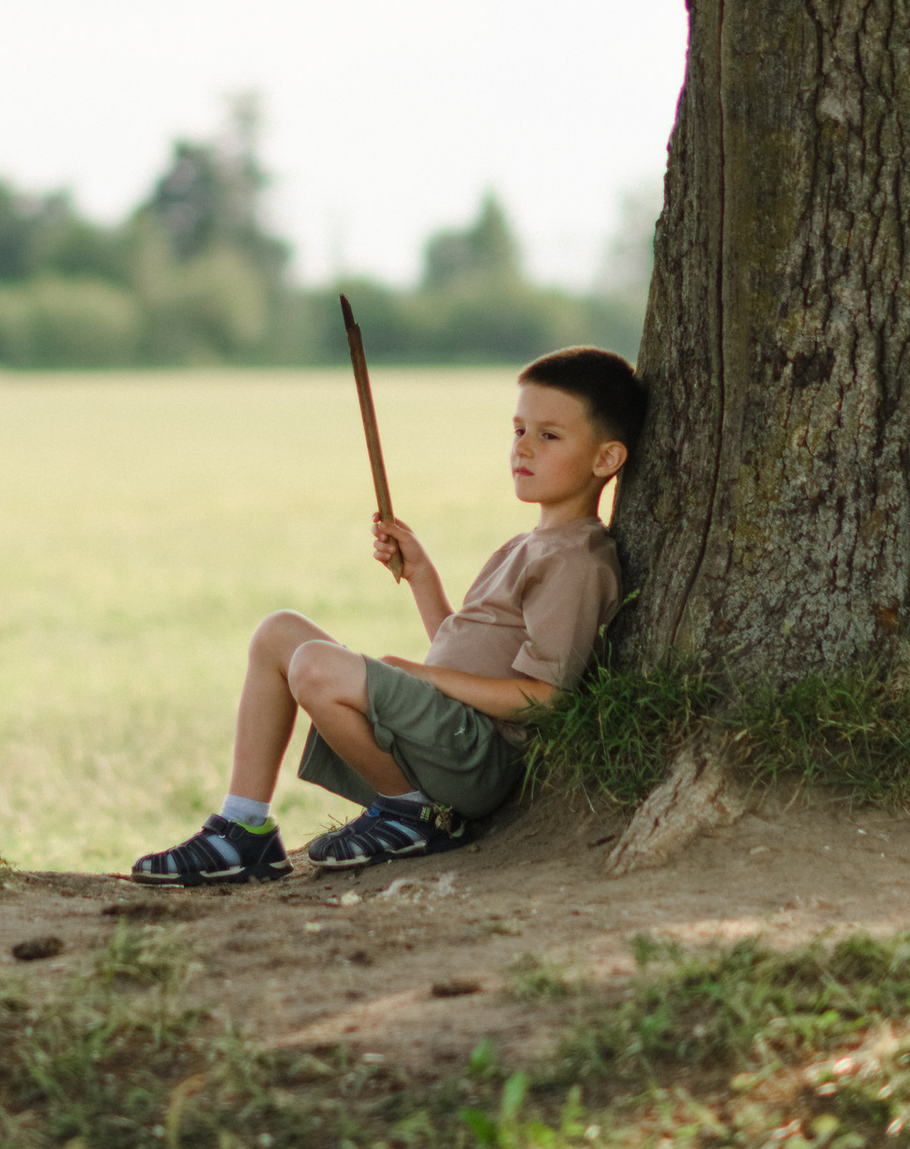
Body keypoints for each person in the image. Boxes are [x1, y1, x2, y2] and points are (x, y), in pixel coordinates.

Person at [131, 344, 643, 882]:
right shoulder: (531, 544)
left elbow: (545, 698)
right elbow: (464, 647)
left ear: (605, 459)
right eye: (518, 430)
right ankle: (243, 829)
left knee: (315, 666)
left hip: (478, 756)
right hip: (450, 734)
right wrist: (421, 575)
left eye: (549, 435)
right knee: (278, 632)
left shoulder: (576, 562)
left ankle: (414, 814)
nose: (524, 449)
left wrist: (422, 675)